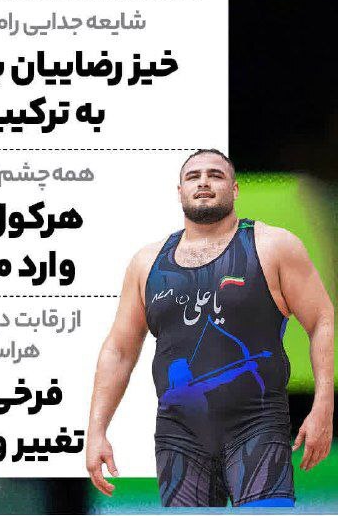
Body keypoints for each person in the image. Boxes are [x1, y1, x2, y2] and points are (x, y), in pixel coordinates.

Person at [84, 149, 335, 508]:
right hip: (179, 438)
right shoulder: (147, 263)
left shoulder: (273, 246)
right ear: (180, 191)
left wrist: (323, 406)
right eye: (193, 176)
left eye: (215, 175)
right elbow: (119, 350)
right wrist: (96, 430)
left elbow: (321, 319)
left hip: (258, 426)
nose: (203, 182)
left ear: (234, 189)